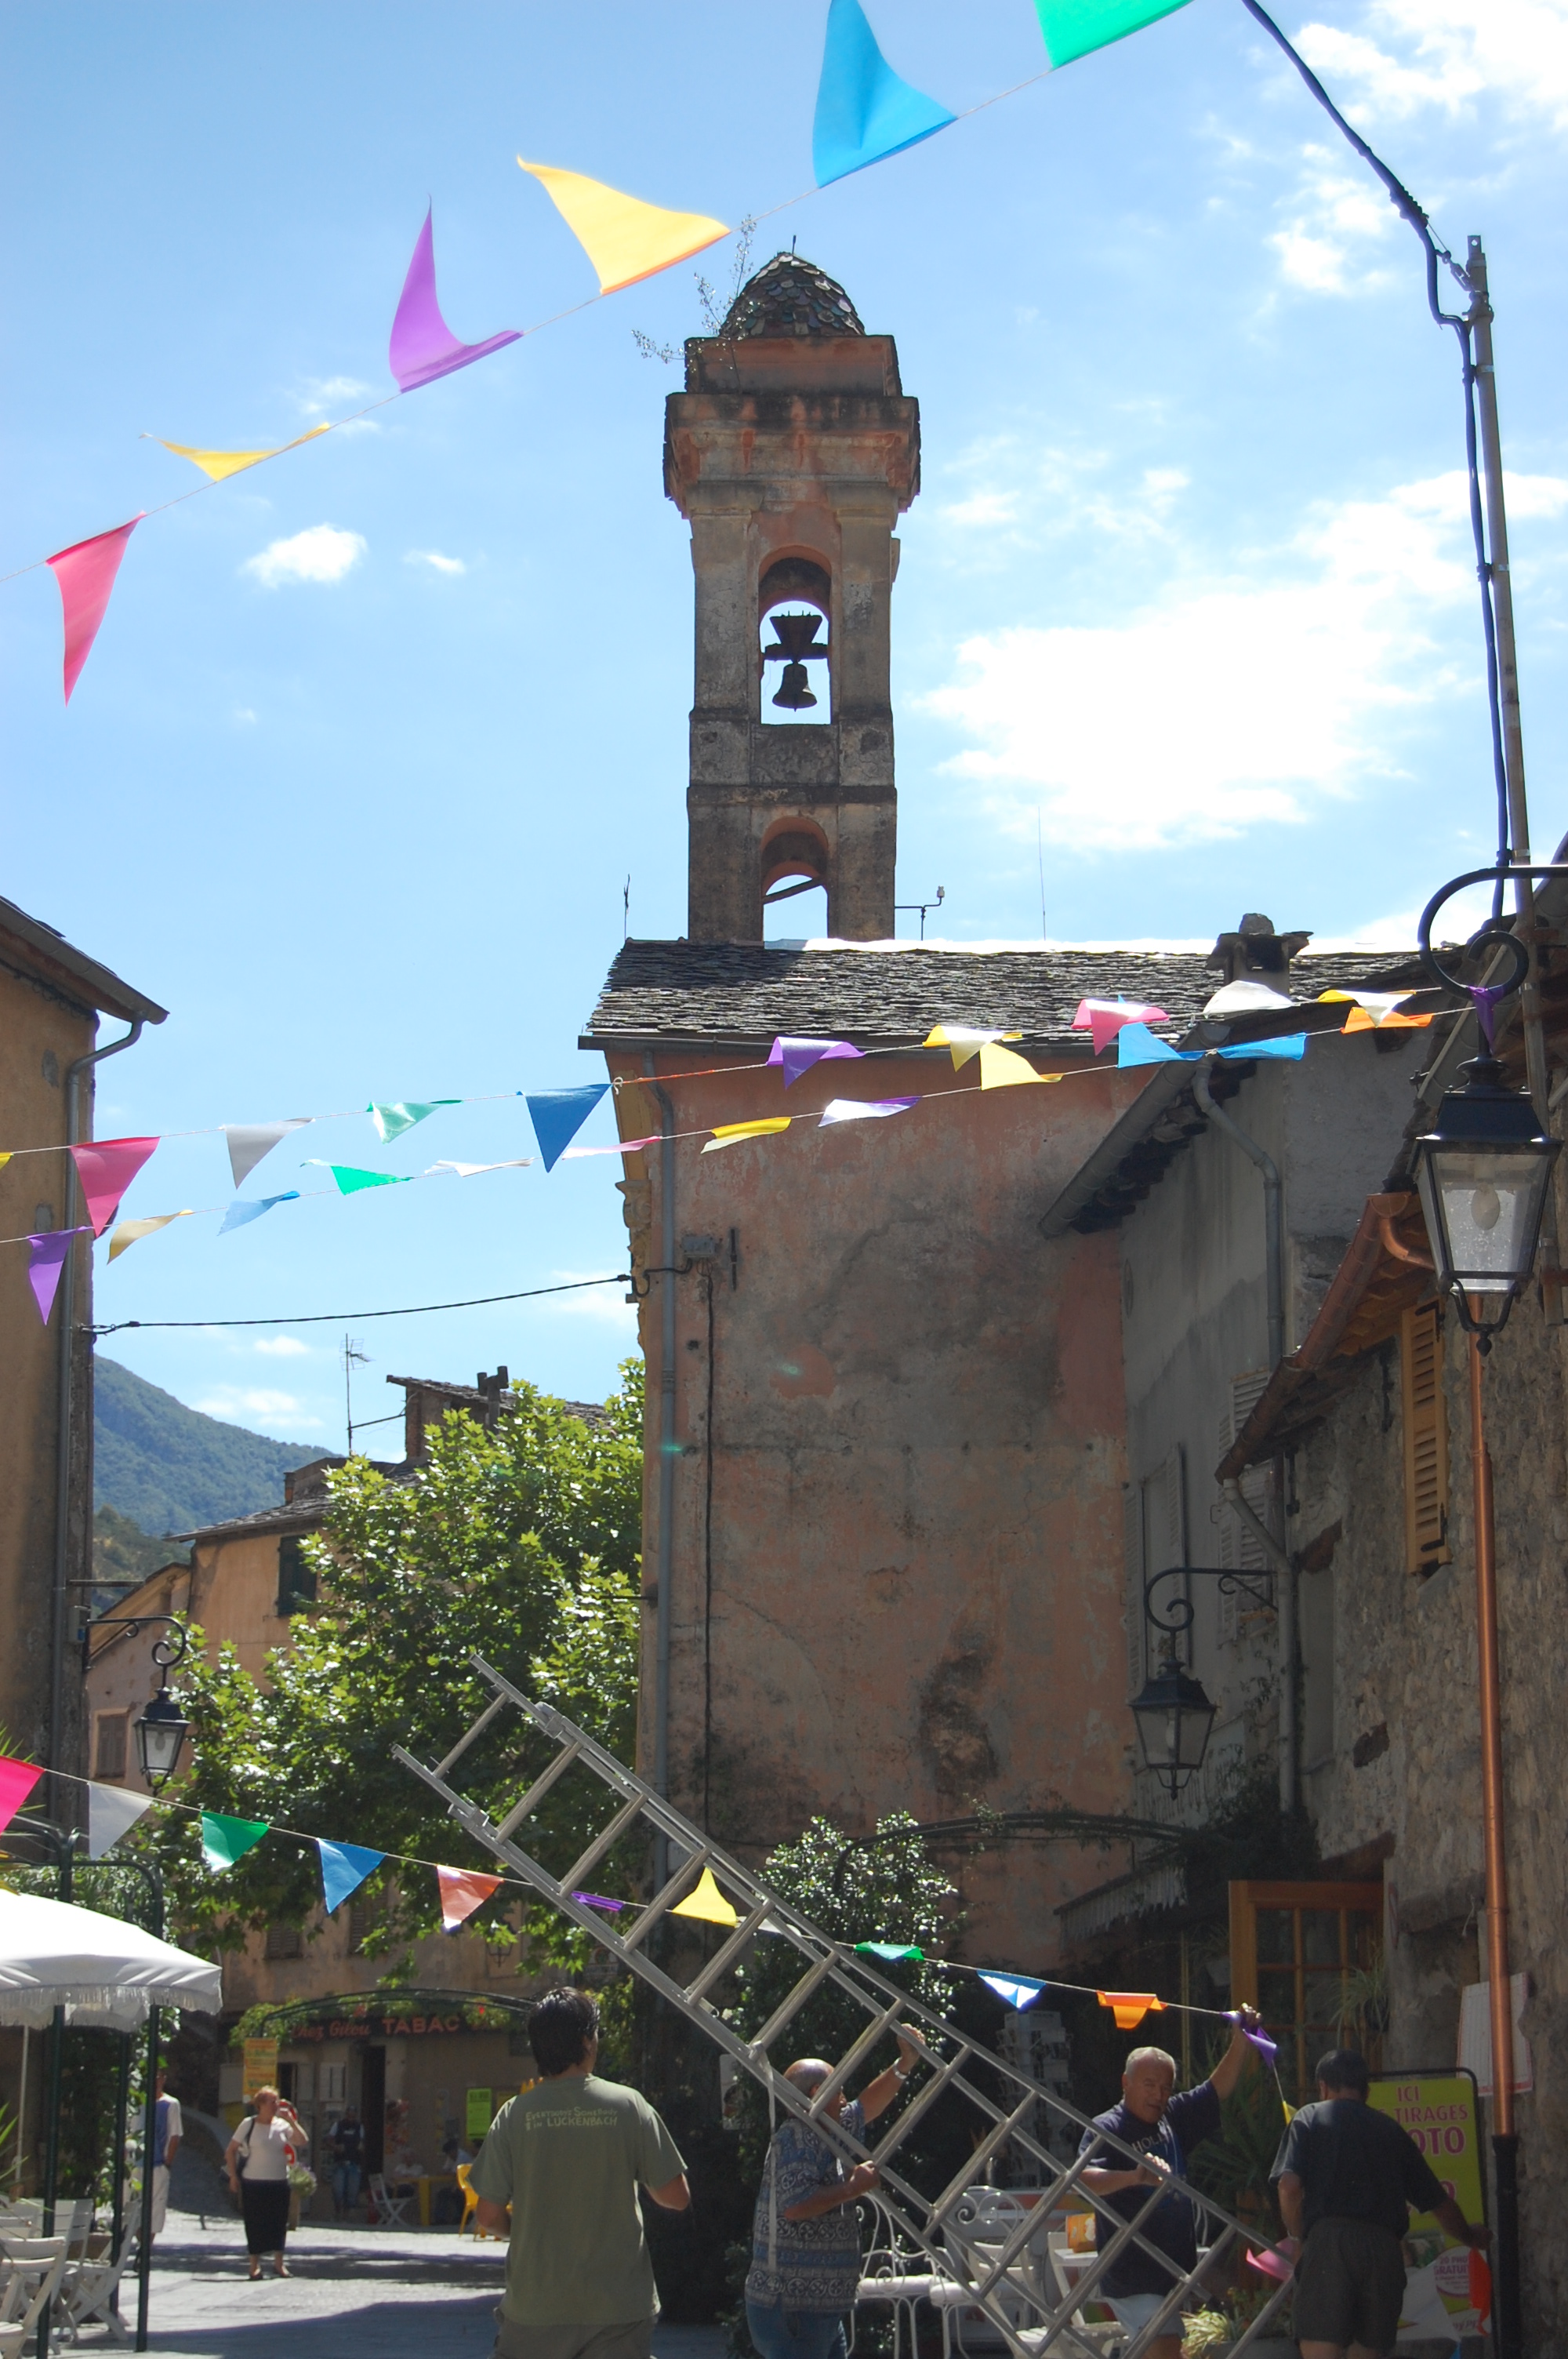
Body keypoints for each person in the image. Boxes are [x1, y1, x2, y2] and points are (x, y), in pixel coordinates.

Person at [471, 1986, 690, 2359]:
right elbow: (677, 2197)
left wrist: (519, 2230)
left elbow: (488, 2216)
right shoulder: (628, 2106)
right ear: (587, 2041)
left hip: (535, 2307)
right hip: (618, 2306)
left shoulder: (514, 2115)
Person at [1272, 2048, 1488, 2359]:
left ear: (1322, 2087)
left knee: (1320, 2348)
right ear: (1367, 2092)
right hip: (1383, 2249)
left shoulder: (1309, 2117)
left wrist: (1297, 2237)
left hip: (1329, 2245)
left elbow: (1289, 2186)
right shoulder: (1391, 2130)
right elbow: (1439, 2203)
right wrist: (1470, 2236)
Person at [1076, 2006, 1265, 2359]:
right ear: (1126, 2083)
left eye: (1165, 2088)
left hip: (1174, 2271)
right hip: (1134, 2274)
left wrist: (1241, 2040)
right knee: (1166, 2347)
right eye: (1149, 2085)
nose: (1158, 2095)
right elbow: (1082, 2179)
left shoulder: (1171, 2116)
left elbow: (1216, 2090)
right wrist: (1135, 2177)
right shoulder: (1109, 2127)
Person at [744, 2029, 922, 2359]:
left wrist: (903, 2065)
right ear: (817, 2092)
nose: (844, 2099)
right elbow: (796, 2206)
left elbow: (866, 2107)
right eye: (839, 2090)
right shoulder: (796, 2138)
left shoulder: (828, 2128)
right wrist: (852, 2188)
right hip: (793, 2309)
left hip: (817, 2309)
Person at [225, 2085, 297, 2281]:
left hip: (279, 2181)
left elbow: (301, 2140)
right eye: (272, 2102)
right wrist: (233, 2176)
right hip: (253, 2182)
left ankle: (279, 2264)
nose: (276, 2105)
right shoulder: (248, 2124)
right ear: (261, 2105)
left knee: (279, 2223)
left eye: (277, 2101)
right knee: (255, 2223)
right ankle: (254, 2265)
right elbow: (230, 2150)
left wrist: (291, 2120)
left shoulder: (282, 2125)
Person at [149, 2070, 182, 2240]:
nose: (156, 2081)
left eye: (159, 2077)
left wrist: (167, 2162)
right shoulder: (137, 2103)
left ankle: (146, 2247)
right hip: (136, 2163)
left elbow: (175, 2134)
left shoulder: (170, 2104)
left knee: (156, 2208)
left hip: (158, 2163)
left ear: (164, 2079)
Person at [328, 2107, 364, 2219]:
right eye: (349, 2115)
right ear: (346, 2114)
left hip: (354, 2162)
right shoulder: (338, 2125)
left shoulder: (359, 2127)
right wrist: (336, 2147)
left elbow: (362, 2142)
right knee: (338, 2191)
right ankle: (337, 2211)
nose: (351, 2118)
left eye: (353, 2116)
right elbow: (329, 2140)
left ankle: (346, 2216)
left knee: (352, 2191)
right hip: (340, 2162)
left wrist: (361, 2147)